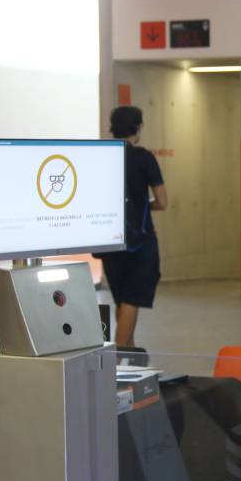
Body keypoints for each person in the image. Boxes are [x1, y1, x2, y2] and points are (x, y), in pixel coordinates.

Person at [100, 106, 167, 347]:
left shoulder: (103, 157)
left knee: (121, 301)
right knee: (131, 300)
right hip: (140, 242)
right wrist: (143, 206)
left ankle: (130, 356)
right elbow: (162, 201)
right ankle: (118, 358)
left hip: (109, 239)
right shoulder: (143, 157)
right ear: (138, 128)